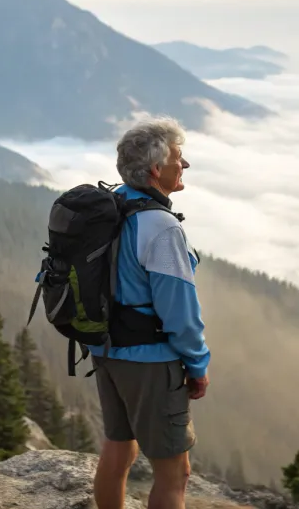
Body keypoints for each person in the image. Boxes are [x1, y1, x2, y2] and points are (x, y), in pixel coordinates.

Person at [88, 117, 211, 509]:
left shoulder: (112, 205)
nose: (184, 164)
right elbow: (179, 310)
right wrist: (197, 363)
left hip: (106, 352)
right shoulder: (160, 227)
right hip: (151, 362)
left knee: (119, 450)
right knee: (175, 472)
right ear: (158, 169)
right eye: (179, 157)